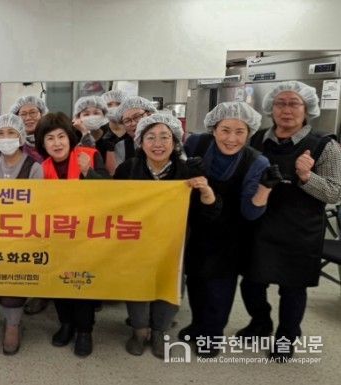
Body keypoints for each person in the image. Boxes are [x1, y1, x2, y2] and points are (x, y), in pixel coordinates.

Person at [240, 81, 341, 362]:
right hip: (260, 225)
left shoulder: (325, 145)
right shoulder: (256, 140)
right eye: (280, 103)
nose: (286, 110)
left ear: (307, 109)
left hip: (300, 229)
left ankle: (286, 337)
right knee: (251, 283)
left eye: (294, 104)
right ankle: (261, 322)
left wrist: (307, 176)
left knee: (292, 288)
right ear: (270, 108)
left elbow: (334, 193)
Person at [114, 113, 220, 359]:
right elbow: (112, 203)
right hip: (135, 243)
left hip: (174, 245)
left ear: (175, 142)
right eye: (151, 137)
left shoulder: (187, 171)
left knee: (169, 286)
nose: (158, 144)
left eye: (164, 137)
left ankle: (160, 331)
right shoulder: (128, 169)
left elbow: (207, 214)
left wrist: (205, 190)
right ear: (140, 142)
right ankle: (139, 330)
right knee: (136, 285)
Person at [180, 102, 277, 357]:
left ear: (249, 133)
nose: (231, 139)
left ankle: (212, 335)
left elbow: (251, 212)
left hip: (231, 234)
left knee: (219, 288)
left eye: (239, 132)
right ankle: (198, 324)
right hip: (198, 228)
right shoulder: (196, 144)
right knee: (196, 280)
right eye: (225, 130)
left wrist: (265, 189)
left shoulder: (257, 162)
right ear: (213, 129)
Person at [35, 112, 108, 357]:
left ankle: (85, 331)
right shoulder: (41, 169)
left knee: (82, 283)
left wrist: (89, 174)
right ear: (43, 144)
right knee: (58, 282)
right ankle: (65, 324)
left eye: (61, 136)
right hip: (56, 236)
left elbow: (113, 193)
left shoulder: (90, 156)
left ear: (70, 137)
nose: (57, 143)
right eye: (50, 138)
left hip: (87, 236)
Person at [0, 114, 43, 355]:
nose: (5, 138)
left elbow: (39, 205)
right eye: (0, 133)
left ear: (21, 137)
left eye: (11, 133)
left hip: (22, 236)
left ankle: (13, 324)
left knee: (15, 278)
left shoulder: (34, 168)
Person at [8, 95, 48, 315]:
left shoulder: (51, 138)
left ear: (42, 114)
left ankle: (43, 294)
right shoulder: (13, 140)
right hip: (20, 206)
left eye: (33, 112)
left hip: (49, 203)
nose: (29, 117)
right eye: (23, 114)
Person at [105, 96, 157, 175]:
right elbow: (115, 176)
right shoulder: (122, 146)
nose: (133, 123)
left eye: (137, 117)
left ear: (149, 114)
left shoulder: (167, 141)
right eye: (127, 121)